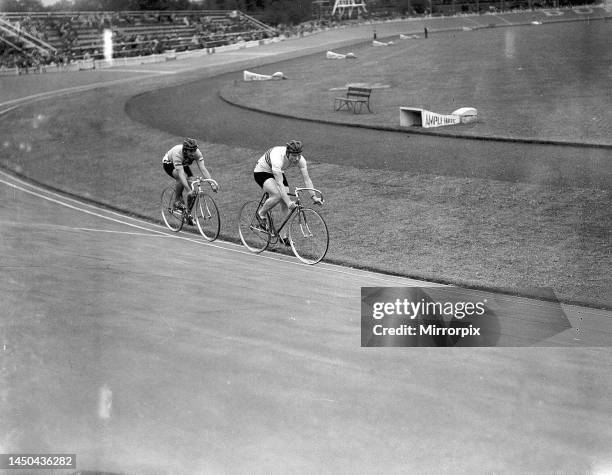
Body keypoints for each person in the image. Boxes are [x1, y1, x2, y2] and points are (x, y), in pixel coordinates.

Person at [253, 140, 322, 246]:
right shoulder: (278, 159)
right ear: (288, 153)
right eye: (294, 156)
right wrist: (289, 202)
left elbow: (307, 179)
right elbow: (280, 184)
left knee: (284, 202)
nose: (297, 159)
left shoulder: (301, 160)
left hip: (278, 171)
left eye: (299, 155)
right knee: (277, 194)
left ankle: (283, 236)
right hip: (262, 171)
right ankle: (261, 214)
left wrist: (314, 197)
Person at [162, 138, 218, 219]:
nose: (193, 153)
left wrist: (212, 183)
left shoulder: (197, 153)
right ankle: (177, 201)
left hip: (184, 163)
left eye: (194, 150)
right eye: (190, 151)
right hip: (169, 163)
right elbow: (181, 173)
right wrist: (188, 190)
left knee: (192, 184)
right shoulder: (177, 154)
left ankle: (187, 213)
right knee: (181, 177)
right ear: (185, 150)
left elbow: (203, 168)